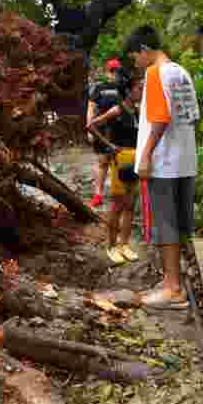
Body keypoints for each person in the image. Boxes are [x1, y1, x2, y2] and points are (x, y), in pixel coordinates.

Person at [124, 25, 200, 310]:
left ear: (144, 50)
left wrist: (145, 155)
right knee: (179, 224)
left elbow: (159, 118)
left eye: (135, 57)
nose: (136, 62)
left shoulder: (155, 73)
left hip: (164, 163)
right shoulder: (180, 72)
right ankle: (173, 280)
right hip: (185, 160)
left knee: (165, 225)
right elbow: (192, 117)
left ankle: (172, 288)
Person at [86, 74, 143, 265]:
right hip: (121, 158)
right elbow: (91, 125)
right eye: (138, 88)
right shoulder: (117, 110)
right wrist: (109, 145)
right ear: (128, 91)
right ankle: (111, 246)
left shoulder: (137, 111)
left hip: (135, 157)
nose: (141, 91)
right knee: (118, 205)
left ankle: (124, 244)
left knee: (131, 205)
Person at [86, 59, 122, 208]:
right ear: (106, 71)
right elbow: (91, 108)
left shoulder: (123, 88)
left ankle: (118, 194)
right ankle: (98, 194)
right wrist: (89, 127)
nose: (114, 74)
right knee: (102, 162)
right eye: (112, 71)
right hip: (101, 129)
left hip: (120, 130)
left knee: (118, 161)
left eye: (117, 71)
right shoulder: (98, 87)